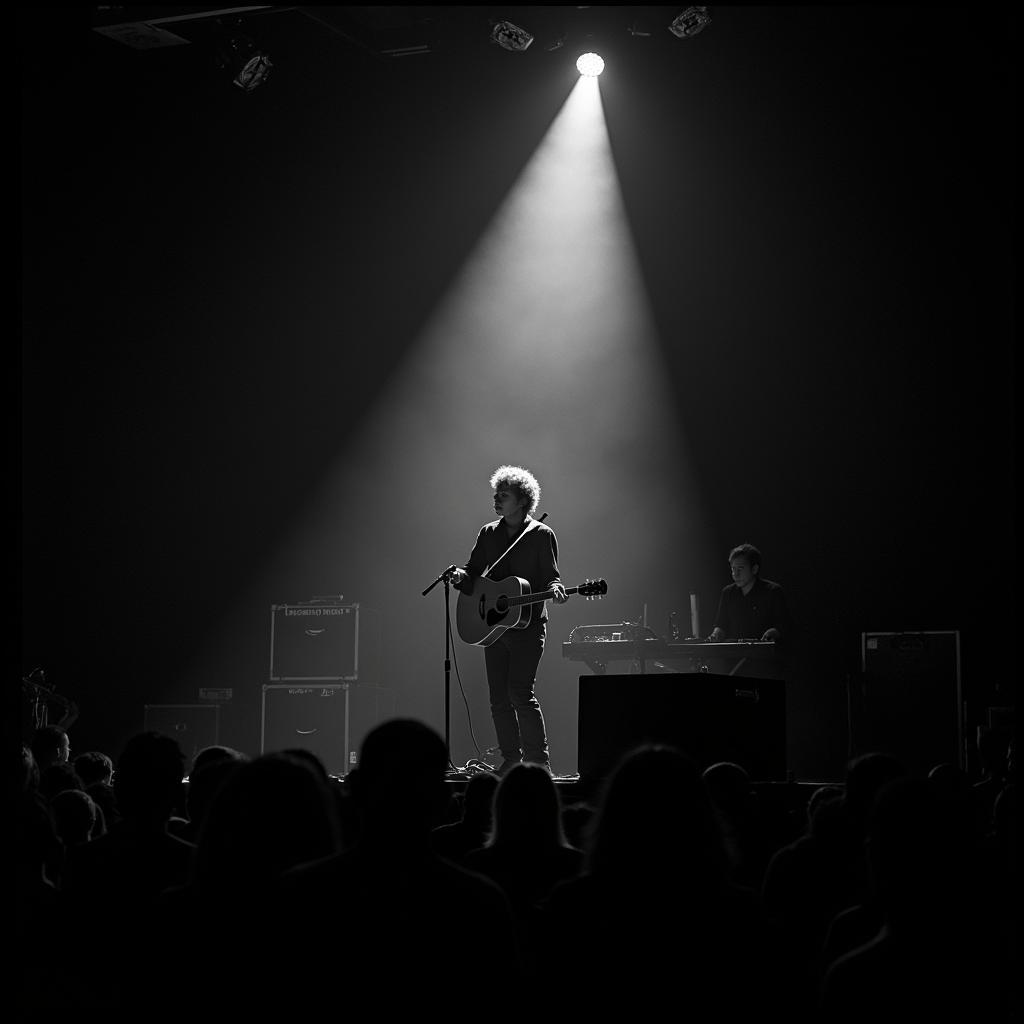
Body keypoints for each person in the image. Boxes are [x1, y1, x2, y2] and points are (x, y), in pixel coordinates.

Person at [450, 465, 566, 774]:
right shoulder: (489, 532)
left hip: (528, 627)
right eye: (495, 494)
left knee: (520, 693)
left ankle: (539, 764)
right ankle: (511, 761)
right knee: (497, 699)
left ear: (523, 500)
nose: (496, 499)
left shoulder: (541, 535)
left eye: (504, 495)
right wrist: (461, 576)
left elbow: (551, 578)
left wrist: (555, 589)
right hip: (495, 626)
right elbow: (473, 572)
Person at [709, 542, 792, 642]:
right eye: (733, 569)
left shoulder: (773, 591)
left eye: (740, 569)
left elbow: (785, 626)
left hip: (764, 655)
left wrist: (774, 632)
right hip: (734, 655)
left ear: (754, 569)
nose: (735, 574)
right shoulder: (727, 593)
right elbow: (721, 625)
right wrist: (716, 633)